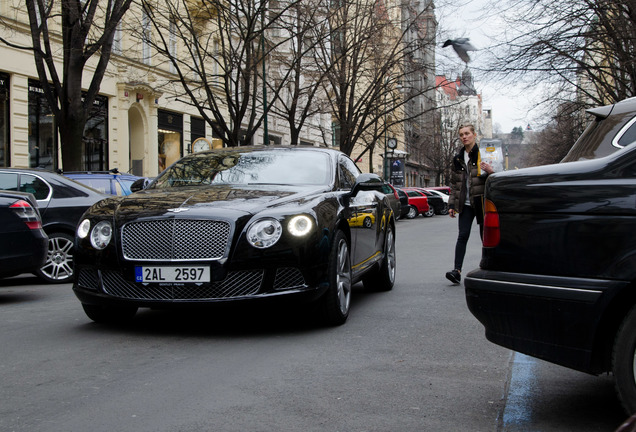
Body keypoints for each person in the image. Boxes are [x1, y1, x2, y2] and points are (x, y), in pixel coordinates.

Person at [445, 124, 494, 284]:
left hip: (481, 201)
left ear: (474, 135)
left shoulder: (483, 154)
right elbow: (454, 184)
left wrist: (491, 171)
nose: (464, 137)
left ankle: (490, 268)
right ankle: (457, 271)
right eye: (461, 135)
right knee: (462, 236)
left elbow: (495, 177)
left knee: (485, 237)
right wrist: (452, 205)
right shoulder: (457, 158)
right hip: (465, 204)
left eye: (467, 133)